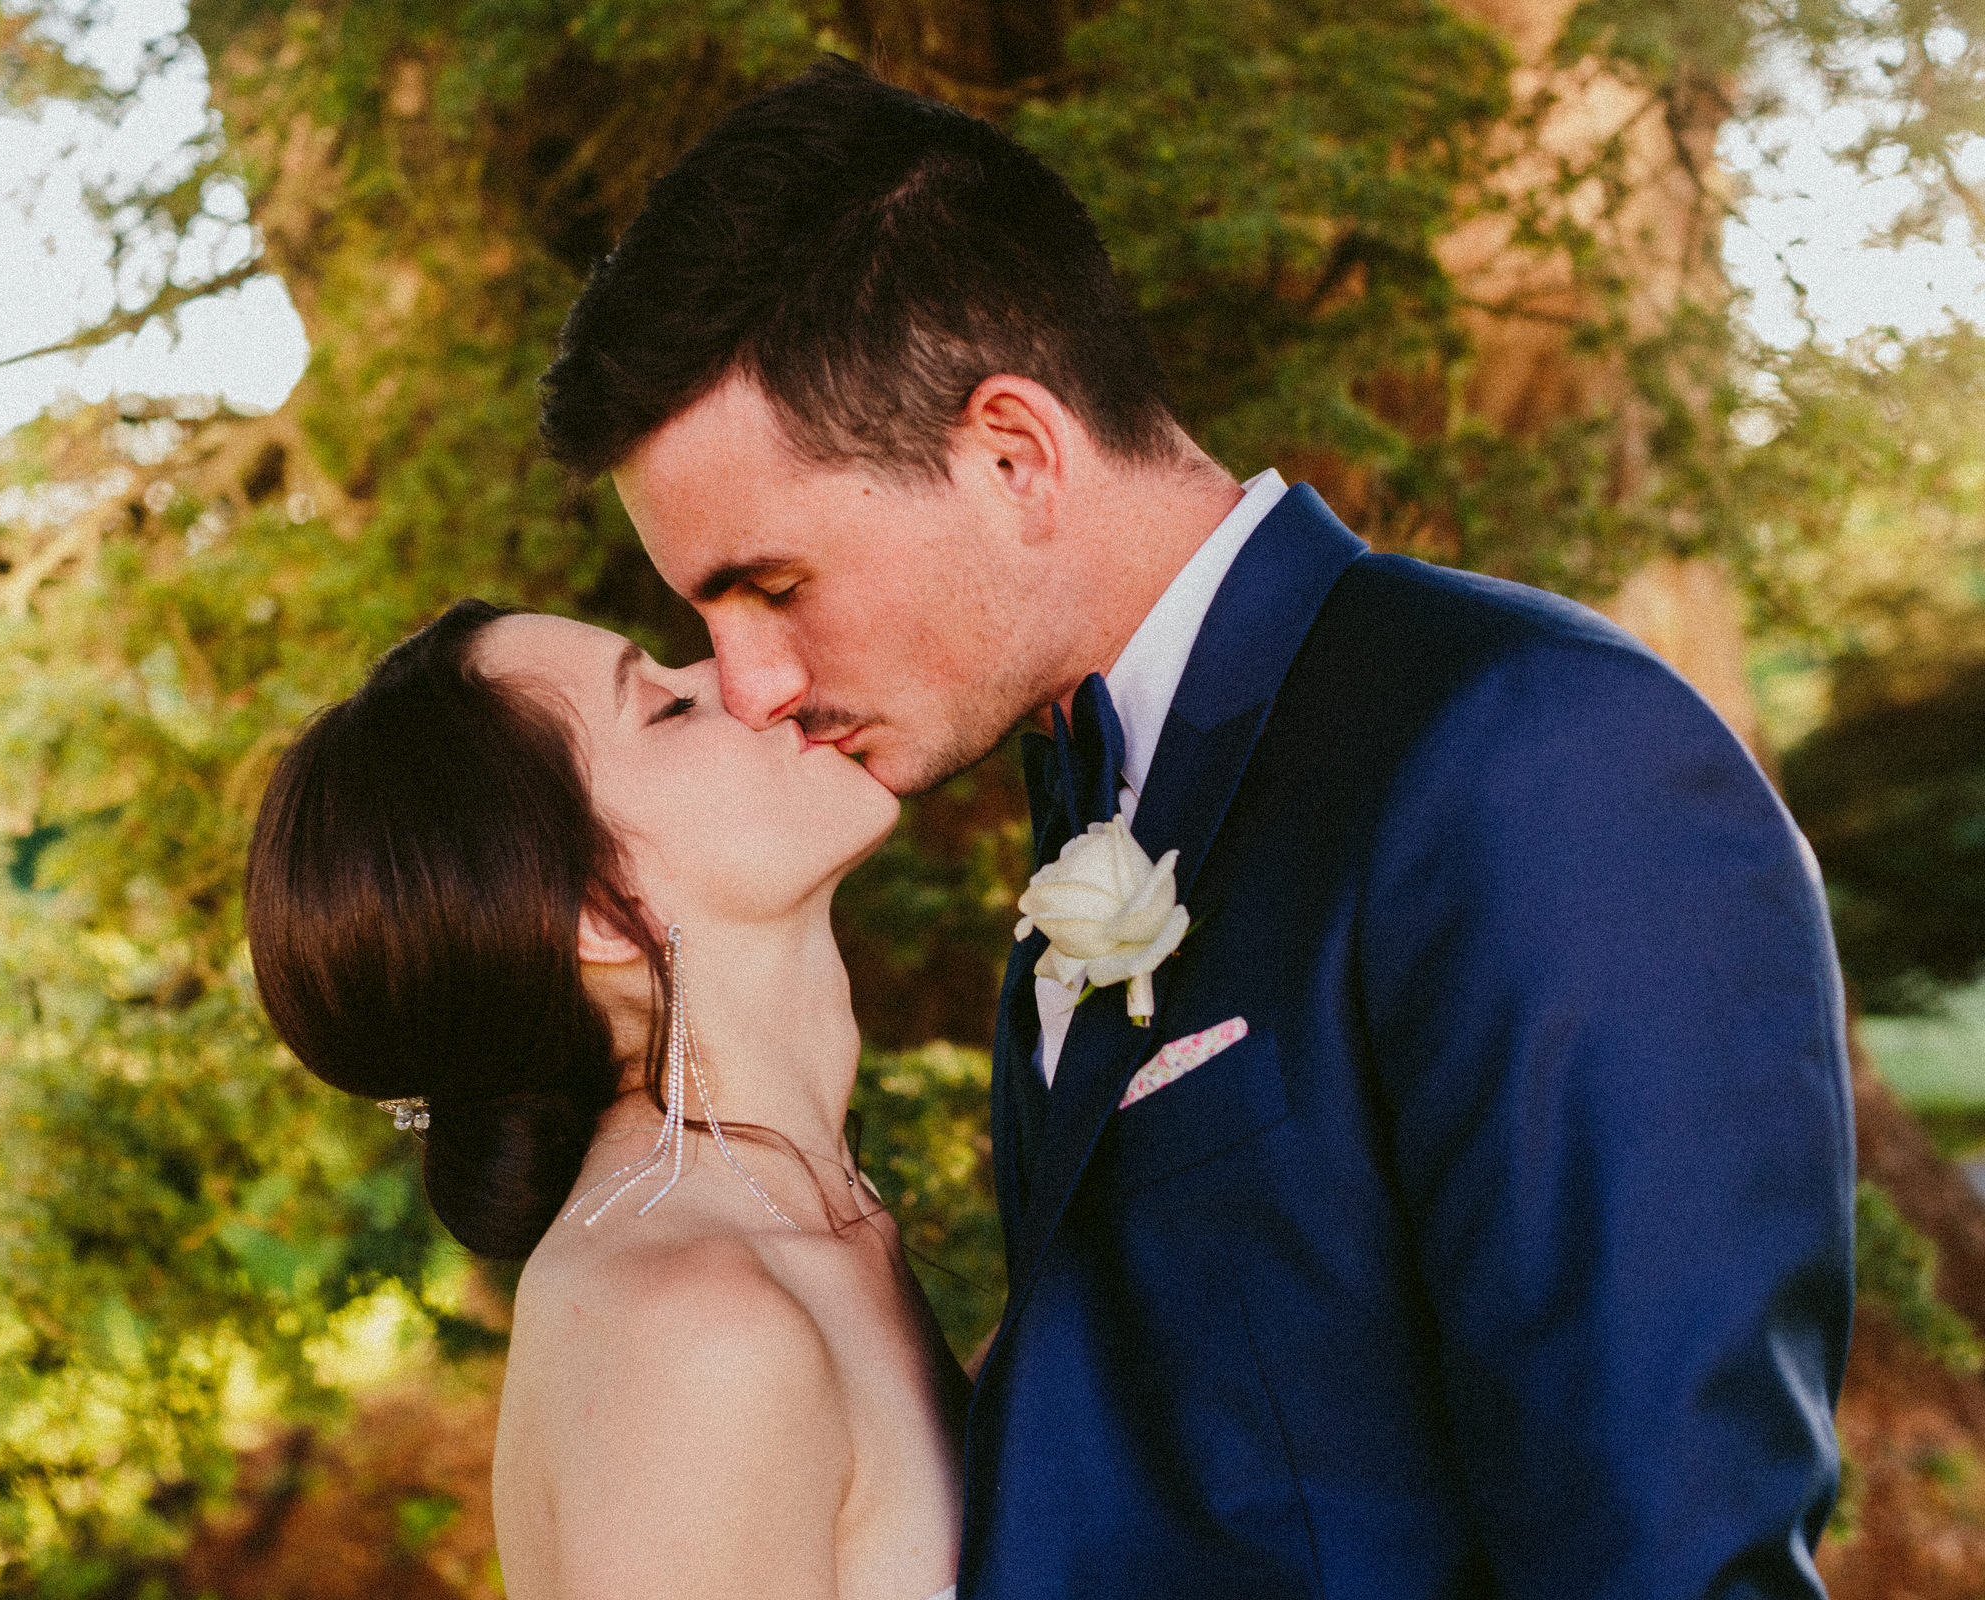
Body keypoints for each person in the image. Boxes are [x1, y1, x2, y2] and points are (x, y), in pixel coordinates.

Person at [537, 55, 1857, 1599]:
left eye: (772, 586)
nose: (751, 683)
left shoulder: (1533, 756)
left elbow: (1673, 1554)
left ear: (1015, 456)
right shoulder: (1091, 817)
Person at [244, 599, 966, 1600]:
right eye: (666, 707)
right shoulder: (687, 1331)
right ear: (596, 909)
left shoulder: (808, 1219)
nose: (736, 678)